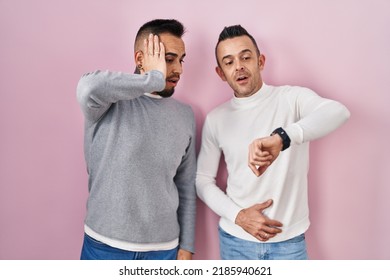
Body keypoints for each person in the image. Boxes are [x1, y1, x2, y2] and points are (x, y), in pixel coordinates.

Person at [196, 25, 350, 260]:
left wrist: (283, 138)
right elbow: (202, 180)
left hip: (289, 243)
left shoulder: (292, 98)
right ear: (220, 73)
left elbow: (338, 112)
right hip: (235, 241)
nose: (239, 66)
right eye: (229, 62)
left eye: (246, 57)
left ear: (260, 61)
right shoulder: (216, 119)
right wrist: (239, 216)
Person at [77, 19, 197, 260]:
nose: (179, 70)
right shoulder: (107, 103)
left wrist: (187, 245)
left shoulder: (185, 115)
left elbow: (185, 184)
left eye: (181, 60)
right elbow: (88, 86)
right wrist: (152, 79)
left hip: (164, 250)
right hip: (104, 245)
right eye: (169, 59)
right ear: (141, 59)